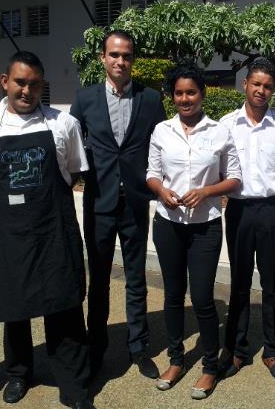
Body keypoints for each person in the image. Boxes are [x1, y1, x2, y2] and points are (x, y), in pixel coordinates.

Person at [0, 51, 93, 409]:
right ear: (5, 82)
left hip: (54, 229)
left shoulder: (63, 123)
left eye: (35, 84)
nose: (27, 90)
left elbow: (73, 171)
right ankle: (19, 373)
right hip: (11, 232)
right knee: (14, 307)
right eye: (20, 82)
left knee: (64, 307)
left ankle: (74, 386)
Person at [70, 30, 165, 379]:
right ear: (103, 58)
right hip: (99, 202)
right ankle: (96, 349)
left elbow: (161, 147)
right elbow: (71, 148)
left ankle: (138, 347)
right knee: (99, 281)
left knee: (136, 278)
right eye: (114, 55)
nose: (120, 61)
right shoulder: (84, 99)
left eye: (126, 56)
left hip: (136, 202)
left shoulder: (151, 99)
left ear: (132, 60)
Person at [147, 64, 241, 399]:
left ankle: (209, 367)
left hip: (205, 227)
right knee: (173, 296)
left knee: (201, 298)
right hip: (168, 224)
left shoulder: (220, 132)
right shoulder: (161, 131)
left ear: (202, 94)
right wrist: (162, 192)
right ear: (172, 96)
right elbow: (152, 173)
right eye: (179, 93)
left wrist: (207, 191)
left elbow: (234, 178)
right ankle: (175, 361)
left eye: (191, 92)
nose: (185, 99)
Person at [218, 58, 275, 382]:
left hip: (273, 211)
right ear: (245, 84)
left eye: (268, 86)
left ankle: (274, 350)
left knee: (273, 284)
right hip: (239, 211)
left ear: (272, 91)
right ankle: (237, 349)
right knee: (240, 282)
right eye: (256, 84)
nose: (261, 90)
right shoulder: (226, 124)